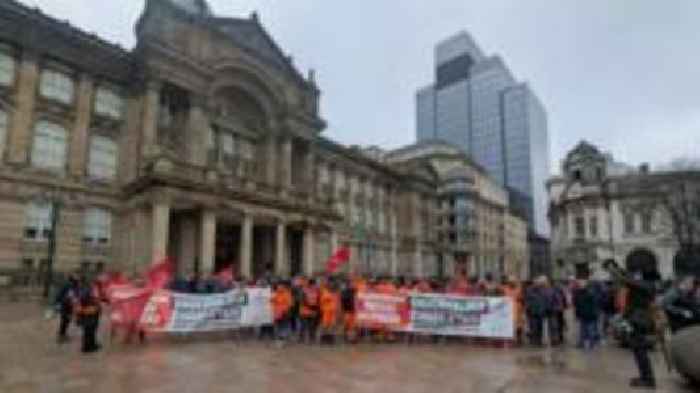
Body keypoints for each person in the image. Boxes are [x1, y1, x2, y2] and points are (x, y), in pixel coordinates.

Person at [606, 259, 659, 389]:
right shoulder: (643, 283)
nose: (637, 274)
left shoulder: (648, 285)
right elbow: (629, 280)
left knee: (640, 351)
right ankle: (644, 377)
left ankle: (648, 380)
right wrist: (619, 271)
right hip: (636, 319)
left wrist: (615, 271)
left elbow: (629, 281)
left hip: (640, 320)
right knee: (637, 350)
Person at [573, 278, 600, 350]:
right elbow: (577, 304)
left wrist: (594, 313)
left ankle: (591, 344)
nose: (579, 286)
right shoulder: (579, 293)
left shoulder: (590, 293)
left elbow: (594, 304)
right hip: (583, 314)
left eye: (580, 285)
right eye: (579, 285)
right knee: (583, 330)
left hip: (590, 314)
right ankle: (582, 343)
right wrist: (577, 313)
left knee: (590, 330)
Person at [77, 279, 102, 353]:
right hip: (88, 313)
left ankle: (92, 344)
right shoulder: (86, 291)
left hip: (93, 312)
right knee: (88, 330)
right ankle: (86, 347)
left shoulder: (92, 290)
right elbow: (83, 301)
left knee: (92, 329)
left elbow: (97, 300)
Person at [54, 274, 79, 343]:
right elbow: (60, 294)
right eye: (76, 278)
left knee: (66, 320)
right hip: (65, 305)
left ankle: (62, 333)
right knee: (65, 320)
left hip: (69, 306)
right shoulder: (68, 286)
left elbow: (76, 295)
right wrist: (57, 303)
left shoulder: (75, 286)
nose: (77, 280)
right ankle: (61, 335)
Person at [299, 278, 320, 344]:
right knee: (304, 325)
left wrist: (316, 308)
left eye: (315, 284)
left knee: (312, 325)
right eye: (314, 284)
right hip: (305, 311)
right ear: (310, 284)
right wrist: (310, 306)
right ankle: (301, 338)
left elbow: (318, 300)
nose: (315, 286)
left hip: (313, 310)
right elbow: (303, 300)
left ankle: (312, 338)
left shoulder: (317, 291)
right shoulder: (304, 291)